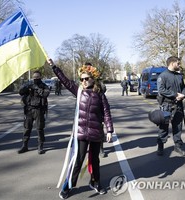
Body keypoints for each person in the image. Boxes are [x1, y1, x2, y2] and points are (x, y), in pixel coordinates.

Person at [48, 59, 114, 199]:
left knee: (95, 160)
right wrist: (54, 67)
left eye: (86, 78)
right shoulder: (78, 92)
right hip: (81, 133)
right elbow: (65, 81)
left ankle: (96, 183)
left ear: (93, 79)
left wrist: (109, 130)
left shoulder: (100, 95)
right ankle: (68, 186)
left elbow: (107, 113)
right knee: (77, 161)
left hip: (96, 132)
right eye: (81, 79)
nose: (83, 81)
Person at [156, 56, 185, 156]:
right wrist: (175, 95)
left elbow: (183, 88)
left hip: (178, 106)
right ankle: (160, 147)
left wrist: (183, 95)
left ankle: (178, 147)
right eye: (178, 63)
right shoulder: (163, 76)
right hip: (166, 106)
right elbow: (161, 90)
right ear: (172, 63)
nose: (179, 65)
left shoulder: (179, 76)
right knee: (163, 127)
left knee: (178, 127)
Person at [18, 71, 50, 154]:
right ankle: (24, 145)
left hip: (39, 110)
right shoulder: (29, 85)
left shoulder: (43, 86)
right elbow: (20, 92)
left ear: (40, 77)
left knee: (39, 129)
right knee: (27, 128)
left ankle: (40, 146)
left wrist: (37, 88)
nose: (36, 78)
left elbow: (45, 94)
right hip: (29, 109)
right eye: (34, 77)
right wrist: (27, 87)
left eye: (37, 77)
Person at [84, 62, 107, 158]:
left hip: (96, 111)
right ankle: (85, 148)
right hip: (84, 110)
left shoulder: (96, 80)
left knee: (99, 132)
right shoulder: (83, 80)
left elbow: (103, 89)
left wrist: (97, 82)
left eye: (89, 67)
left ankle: (101, 149)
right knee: (83, 131)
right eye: (86, 67)